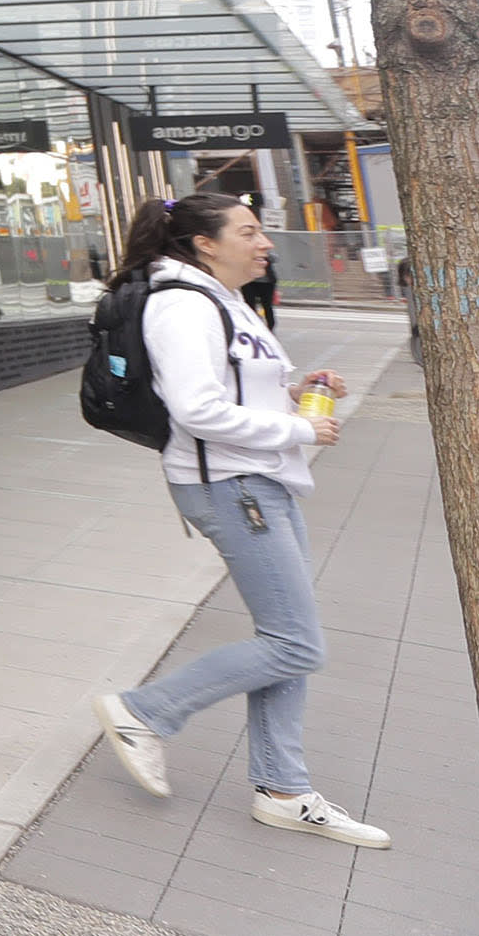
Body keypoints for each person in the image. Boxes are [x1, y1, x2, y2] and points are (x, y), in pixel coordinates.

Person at [91, 193, 388, 848]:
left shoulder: (223, 299)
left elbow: (238, 385)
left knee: (286, 641)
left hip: (261, 481)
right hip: (231, 486)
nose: (266, 243)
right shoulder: (182, 304)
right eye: (249, 231)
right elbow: (196, 409)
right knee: (296, 644)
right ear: (204, 242)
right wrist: (297, 426)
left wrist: (300, 388)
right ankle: (144, 713)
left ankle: (284, 790)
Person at [241, 255, 278, 329]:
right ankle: (253, 324)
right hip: (250, 282)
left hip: (266, 283)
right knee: (250, 304)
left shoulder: (265, 252)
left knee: (267, 305)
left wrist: (264, 256)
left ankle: (270, 325)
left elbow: (275, 258)